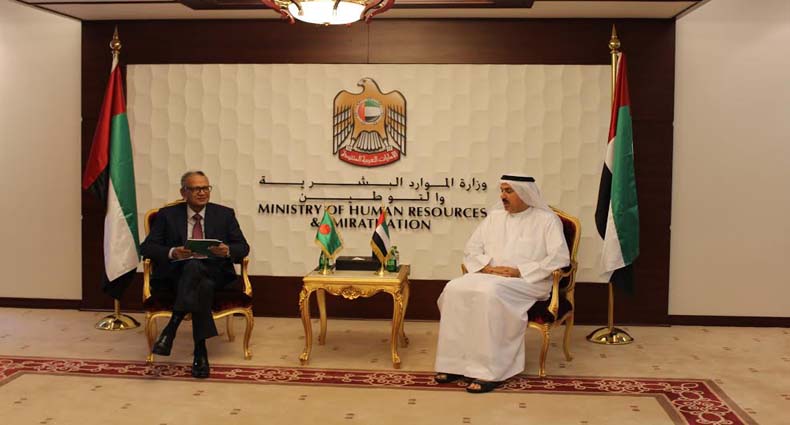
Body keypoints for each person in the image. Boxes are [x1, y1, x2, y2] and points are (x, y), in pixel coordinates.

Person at [434, 174, 570, 393]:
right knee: (453, 288)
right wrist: (486, 268)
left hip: (529, 281)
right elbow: (472, 249)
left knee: (491, 292)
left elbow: (560, 258)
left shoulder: (546, 220)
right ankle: (454, 364)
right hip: (490, 276)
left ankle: (491, 370)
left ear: (524, 193)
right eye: (502, 191)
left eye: (508, 191)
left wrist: (520, 271)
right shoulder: (494, 218)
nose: (502, 196)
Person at [141, 171, 250, 378]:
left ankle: (171, 328)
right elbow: (147, 248)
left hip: (216, 274)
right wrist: (173, 252)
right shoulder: (167, 215)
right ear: (183, 192)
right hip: (177, 276)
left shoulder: (224, 214)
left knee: (199, 273)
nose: (202, 193)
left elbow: (243, 247)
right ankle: (200, 350)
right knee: (198, 278)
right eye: (196, 189)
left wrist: (227, 250)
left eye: (205, 188)